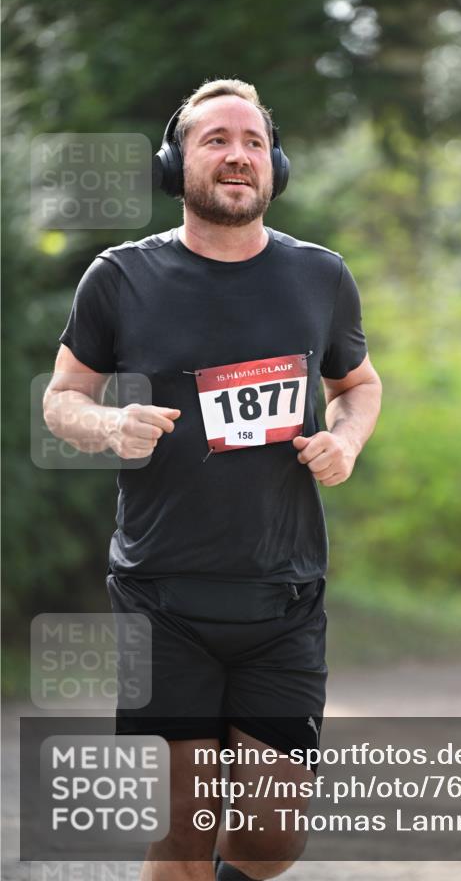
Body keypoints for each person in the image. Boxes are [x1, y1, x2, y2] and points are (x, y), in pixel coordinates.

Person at [43, 77, 382, 881]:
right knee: (183, 830)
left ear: (275, 166)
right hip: (160, 597)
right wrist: (108, 426)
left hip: (283, 597)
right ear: (176, 164)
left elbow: (359, 384)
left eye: (254, 142)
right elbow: (61, 399)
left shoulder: (320, 276)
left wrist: (345, 440)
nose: (238, 156)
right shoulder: (120, 277)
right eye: (216, 140)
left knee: (270, 839)